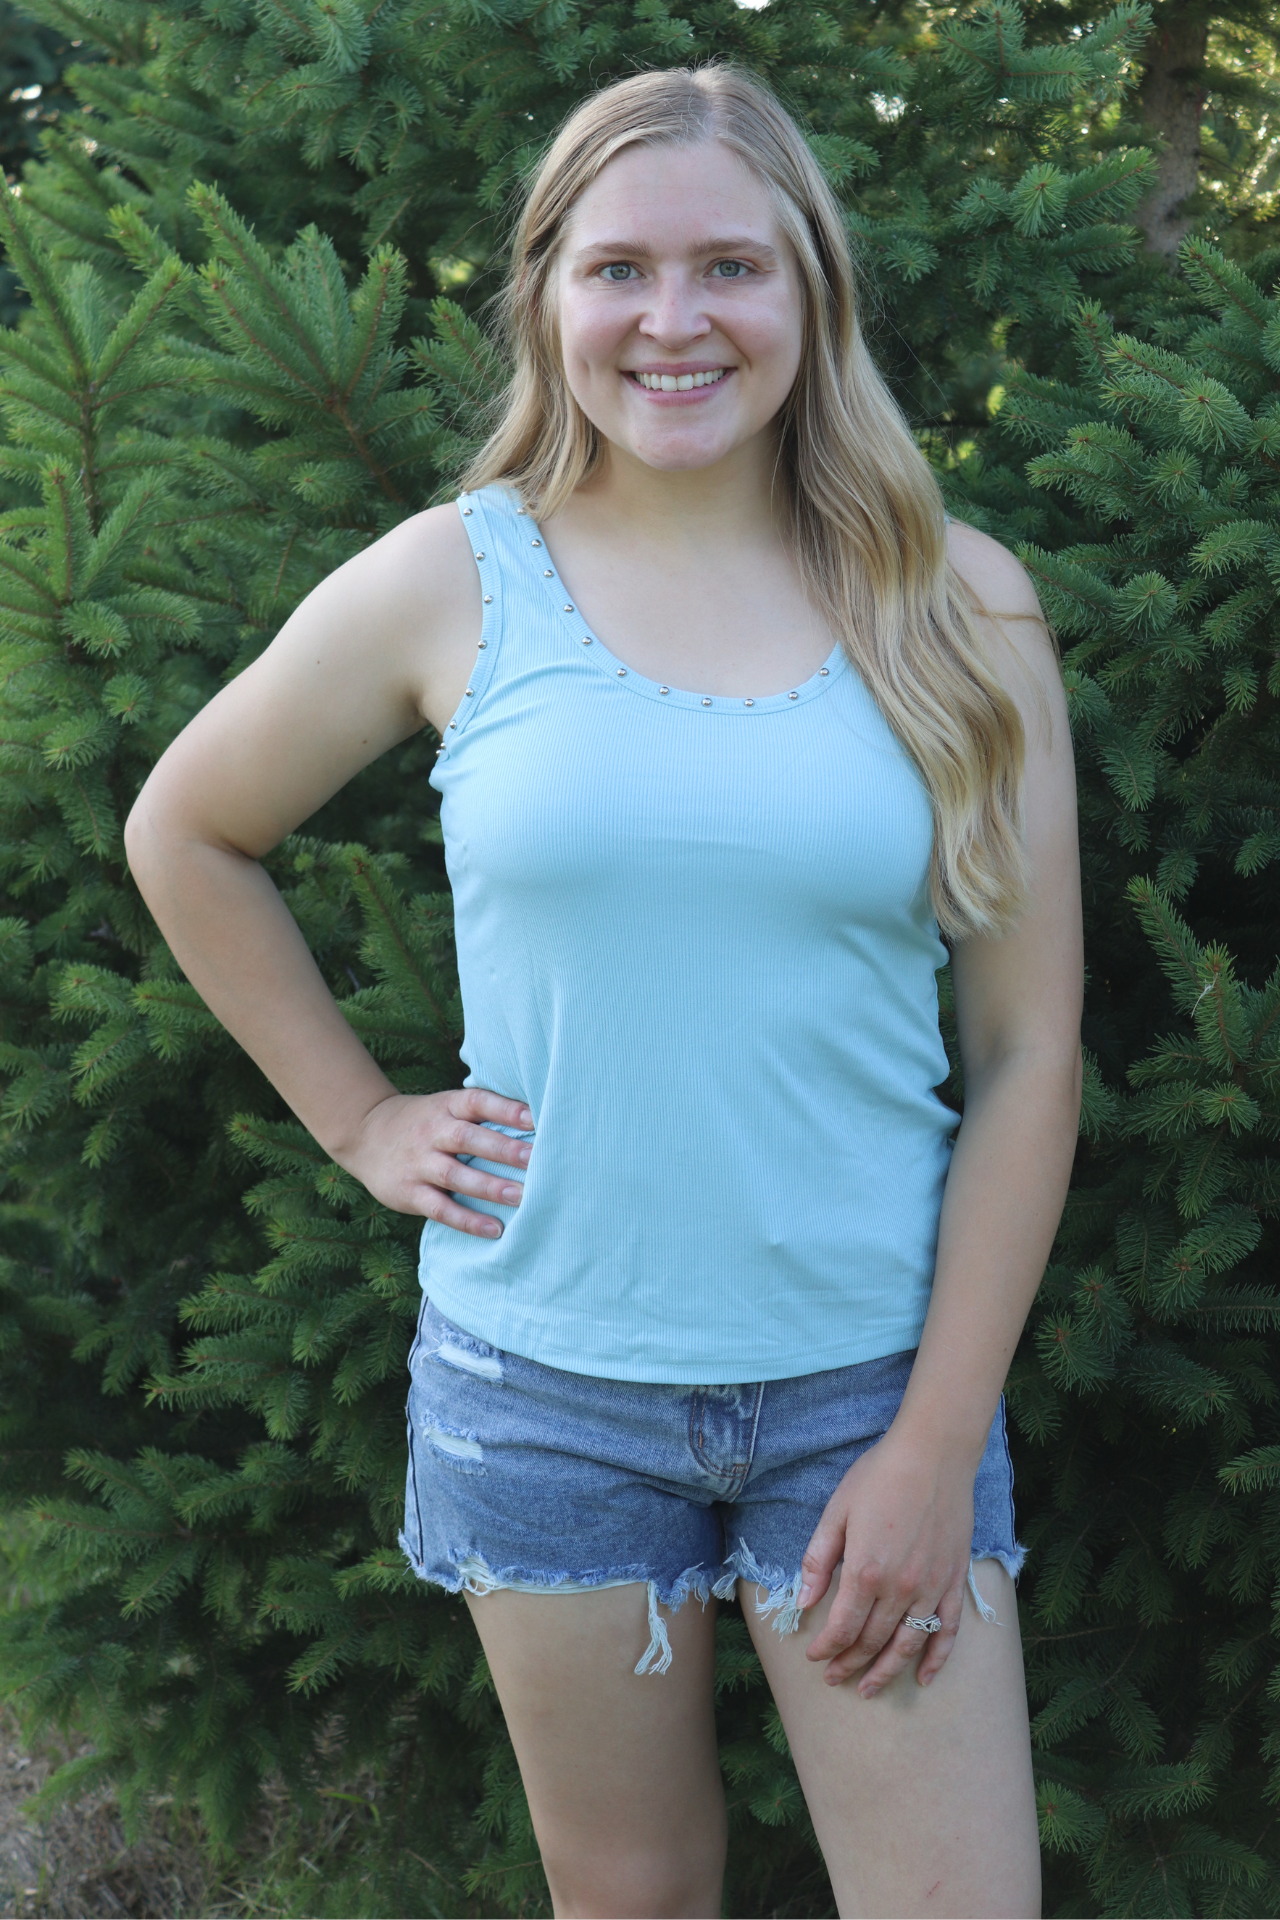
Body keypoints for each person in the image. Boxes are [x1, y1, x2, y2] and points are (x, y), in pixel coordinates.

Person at [125, 62, 1082, 1920]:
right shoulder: (450, 587)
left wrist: (936, 1441)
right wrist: (361, 1115)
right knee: (630, 1900)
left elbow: (1033, 1050)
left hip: (870, 1393)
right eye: (619, 268)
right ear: (547, 293)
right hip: (544, 1386)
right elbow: (187, 830)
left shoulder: (963, 607)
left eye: (731, 266)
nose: (672, 320)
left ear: (810, 294)